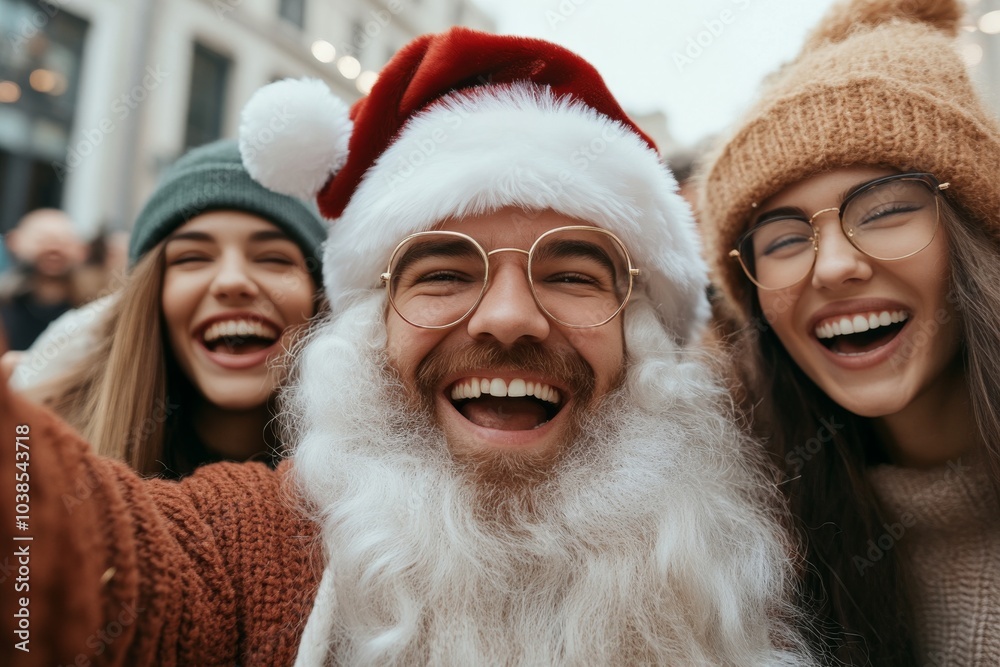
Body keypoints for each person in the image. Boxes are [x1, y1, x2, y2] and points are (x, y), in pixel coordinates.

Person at [1, 29, 812, 666]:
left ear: (646, 337)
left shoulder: (755, 563)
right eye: (443, 271)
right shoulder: (257, 543)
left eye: (571, 273)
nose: (507, 319)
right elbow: (76, 553)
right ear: (368, 331)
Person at [697, 0, 1000, 664]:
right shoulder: (743, 560)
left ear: (973, 232)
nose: (833, 266)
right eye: (782, 238)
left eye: (887, 208)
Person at [17, 139, 326, 477]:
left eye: (273, 258)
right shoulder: (34, 455)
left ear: (319, 296)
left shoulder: (377, 487)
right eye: (192, 257)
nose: (232, 281)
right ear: (151, 296)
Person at [0, 208, 90, 351]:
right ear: (13, 242)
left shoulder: (93, 306)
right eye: (42, 240)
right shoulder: (6, 304)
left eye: (64, 242)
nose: (54, 248)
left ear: (82, 250)